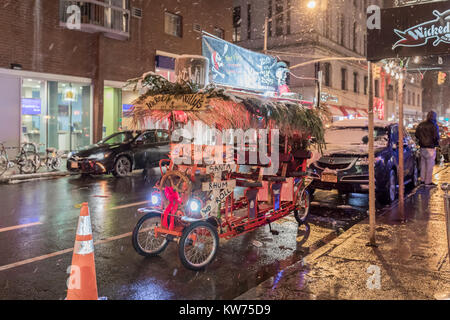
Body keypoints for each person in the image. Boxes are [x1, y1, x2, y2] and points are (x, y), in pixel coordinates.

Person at [415, 111, 440, 187]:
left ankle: (422, 180)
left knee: (423, 165)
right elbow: (436, 136)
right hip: (430, 148)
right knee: (429, 166)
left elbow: (416, 134)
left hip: (422, 147)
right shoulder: (434, 125)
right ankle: (428, 182)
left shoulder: (421, 124)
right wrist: (436, 143)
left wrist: (421, 140)